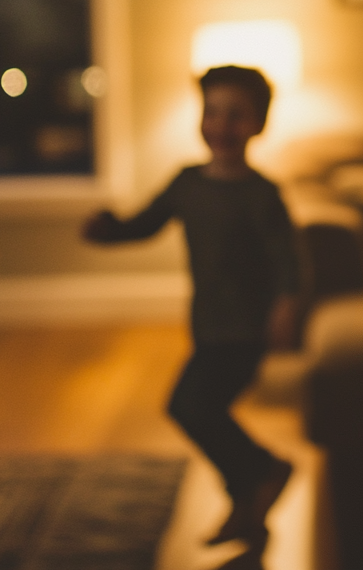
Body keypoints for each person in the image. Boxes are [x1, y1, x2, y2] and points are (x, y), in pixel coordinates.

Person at [83, 65, 299, 551]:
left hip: (246, 328)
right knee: (201, 409)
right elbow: (146, 223)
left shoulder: (262, 195)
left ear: (259, 125)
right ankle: (249, 502)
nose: (221, 126)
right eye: (212, 112)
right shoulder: (187, 183)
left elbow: (289, 261)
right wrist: (109, 230)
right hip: (207, 323)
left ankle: (262, 472)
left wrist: (286, 307)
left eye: (236, 116)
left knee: (190, 406)